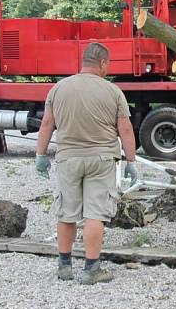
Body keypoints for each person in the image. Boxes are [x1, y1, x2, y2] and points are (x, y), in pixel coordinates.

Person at [35, 42, 138, 284]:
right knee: (95, 214)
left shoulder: (59, 89)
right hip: (101, 159)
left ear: (83, 62)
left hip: (68, 158)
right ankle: (91, 269)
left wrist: (41, 155)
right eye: (107, 64)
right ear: (102, 63)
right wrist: (130, 160)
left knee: (67, 212)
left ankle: (64, 266)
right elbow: (125, 128)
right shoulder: (113, 92)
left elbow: (47, 124)